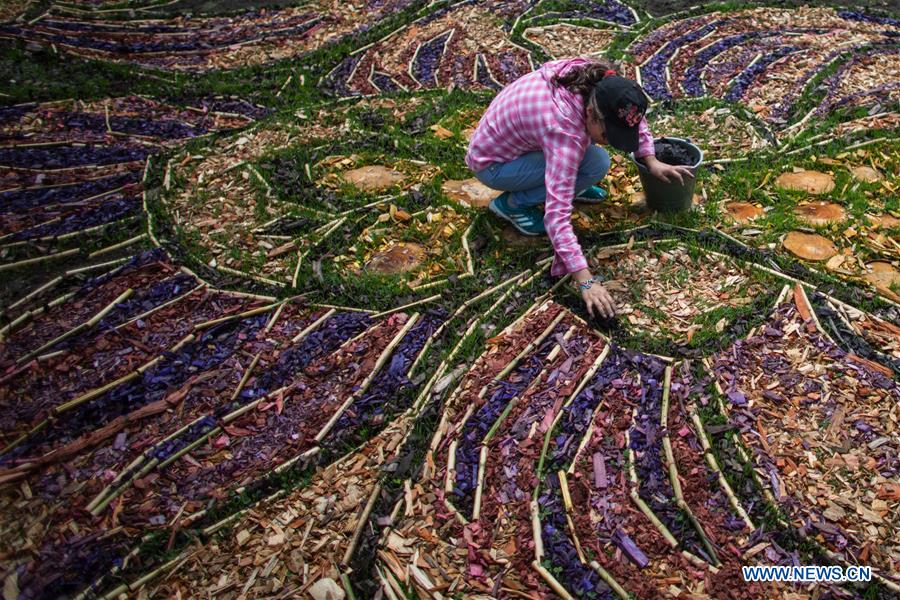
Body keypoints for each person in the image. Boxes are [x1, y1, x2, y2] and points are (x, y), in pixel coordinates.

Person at [465, 58, 694, 320]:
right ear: (589, 115)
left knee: (597, 161)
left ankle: (572, 181)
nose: (611, 143)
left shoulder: (601, 82)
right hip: (493, 164)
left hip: (521, 145)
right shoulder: (564, 131)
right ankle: (513, 205)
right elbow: (557, 216)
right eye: (609, 136)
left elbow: (632, 117)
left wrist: (651, 159)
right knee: (587, 167)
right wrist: (585, 280)